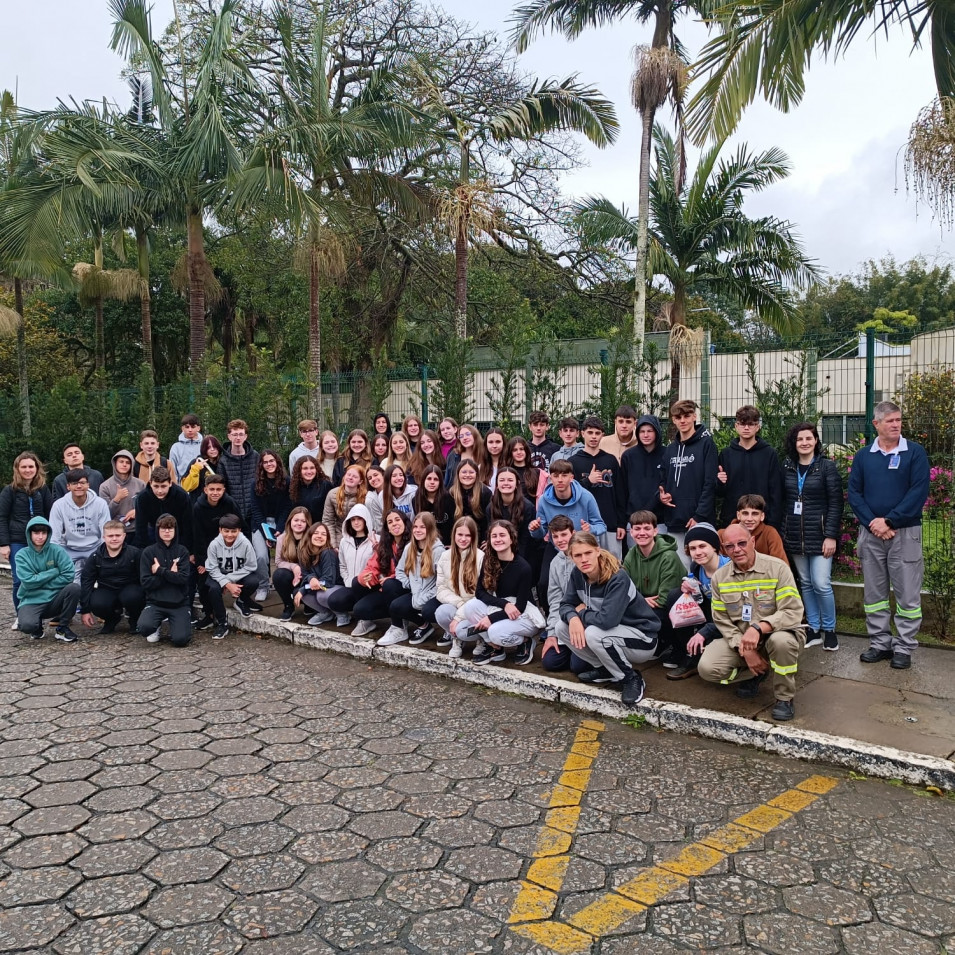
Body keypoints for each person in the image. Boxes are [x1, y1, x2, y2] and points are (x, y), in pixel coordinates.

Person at [848, 400, 930, 670]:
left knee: (907, 594)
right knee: (874, 594)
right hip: (871, 533)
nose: (896, 425)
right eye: (890, 421)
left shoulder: (914, 453)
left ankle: (904, 647)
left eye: (898, 420)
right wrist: (873, 522)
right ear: (876, 424)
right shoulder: (863, 456)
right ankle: (880, 643)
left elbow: (918, 492)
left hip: (904, 533)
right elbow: (855, 494)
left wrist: (890, 520)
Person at [699, 523, 805, 721]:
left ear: (753, 541)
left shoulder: (777, 568)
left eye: (741, 543)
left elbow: (792, 611)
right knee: (707, 668)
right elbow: (722, 621)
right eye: (730, 546)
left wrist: (759, 627)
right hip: (742, 639)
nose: (736, 550)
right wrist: (745, 649)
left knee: (781, 643)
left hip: (778, 633)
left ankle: (784, 697)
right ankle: (757, 672)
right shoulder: (720, 578)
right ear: (723, 549)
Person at [556, 532, 659, 705]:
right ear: (571, 558)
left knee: (594, 633)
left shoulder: (618, 577)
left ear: (597, 551)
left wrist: (581, 613)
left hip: (643, 639)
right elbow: (566, 604)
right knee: (561, 627)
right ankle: (605, 669)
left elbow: (607, 621)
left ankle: (631, 678)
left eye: (588, 553)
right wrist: (573, 618)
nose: (584, 559)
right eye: (578, 555)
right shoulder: (577, 574)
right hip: (612, 635)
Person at [782, 422, 844, 652]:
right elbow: (783, 500)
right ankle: (814, 629)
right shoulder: (787, 466)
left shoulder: (826, 467)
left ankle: (829, 630)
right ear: (794, 443)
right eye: (800, 439)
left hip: (820, 536)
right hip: (796, 536)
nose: (804, 443)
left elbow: (836, 503)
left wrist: (831, 536)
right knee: (806, 583)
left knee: (821, 583)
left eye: (809, 438)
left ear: (816, 441)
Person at [457, 519, 543, 666]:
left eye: (502, 535)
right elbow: (480, 592)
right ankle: (495, 647)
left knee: (495, 632)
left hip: (524, 614)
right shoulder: (488, 560)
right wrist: (504, 604)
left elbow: (521, 606)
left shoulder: (523, 568)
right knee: (470, 609)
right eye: (494, 536)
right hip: (505, 607)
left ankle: (525, 642)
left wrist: (491, 619)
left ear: (511, 539)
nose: (498, 539)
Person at [529, 458, 606, 610]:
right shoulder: (544, 500)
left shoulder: (586, 496)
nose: (560, 480)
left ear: (572, 477)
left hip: (581, 546)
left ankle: (588, 612)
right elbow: (541, 532)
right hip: (556, 546)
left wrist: (590, 529)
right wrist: (535, 529)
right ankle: (550, 618)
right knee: (543, 583)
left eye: (564, 475)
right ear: (550, 478)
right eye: (556, 476)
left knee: (584, 581)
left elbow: (601, 525)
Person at [661, 522, 730, 680]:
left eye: (702, 546)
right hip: (709, 612)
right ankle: (690, 652)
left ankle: (707, 650)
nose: (697, 552)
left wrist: (705, 631)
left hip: (729, 617)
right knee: (675, 595)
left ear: (714, 546)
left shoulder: (728, 569)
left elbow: (732, 611)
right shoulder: (696, 567)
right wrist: (688, 587)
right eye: (693, 548)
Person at [329, 510, 411, 639]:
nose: (394, 524)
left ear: (405, 523)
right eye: (390, 522)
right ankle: (366, 621)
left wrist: (391, 578)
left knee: (390, 584)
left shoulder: (412, 543)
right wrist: (365, 576)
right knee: (359, 603)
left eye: (397, 520)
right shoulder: (385, 545)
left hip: (407, 589)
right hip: (385, 588)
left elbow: (411, 572)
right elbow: (372, 566)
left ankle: (399, 625)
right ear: (387, 528)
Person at [658, 399, 718, 565]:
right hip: (674, 519)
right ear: (673, 420)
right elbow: (663, 479)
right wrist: (662, 496)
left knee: (703, 565)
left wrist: (699, 515)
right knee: (681, 568)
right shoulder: (670, 449)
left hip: (699, 519)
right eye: (678, 417)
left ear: (694, 417)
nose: (682, 420)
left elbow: (710, 483)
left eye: (687, 416)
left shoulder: (707, 444)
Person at [0, 451, 53, 622]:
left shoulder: (43, 489)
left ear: (37, 468)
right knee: (19, 580)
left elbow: (50, 513)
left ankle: (38, 612)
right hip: (18, 540)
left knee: (41, 578)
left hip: (40, 541)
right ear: (17, 469)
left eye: (31, 466)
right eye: (24, 467)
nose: (28, 470)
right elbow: (1, 517)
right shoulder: (9, 491)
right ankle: (20, 615)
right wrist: (4, 544)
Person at [378, 512, 446, 646]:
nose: (418, 530)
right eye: (415, 527)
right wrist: (411, 585)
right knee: (395, 605)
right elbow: (400, 570)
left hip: (432, 594)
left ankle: (447, 630)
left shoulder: (438, 551)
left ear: (430, 529)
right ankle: (423, 626)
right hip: (415, 591)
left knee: (428, 610)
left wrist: (425, 596)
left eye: (422, 527)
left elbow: (442, 582)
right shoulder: (410, 547)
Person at [15, 516, 81, 643]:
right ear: (29, 534)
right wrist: (54, 571)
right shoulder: (21, 555)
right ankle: (36, 626)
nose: (40, 537)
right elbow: (28, 582)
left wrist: (39, 581)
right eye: (36, 533)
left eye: (43, 532)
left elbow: (68, 575)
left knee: (74, 588)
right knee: (26, 626)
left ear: (48, 533)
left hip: (55, 599)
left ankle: (62, 628)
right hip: (32, 600)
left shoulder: (57, 551)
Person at [717, 405, 785, 528]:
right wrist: (720, 482)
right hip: (732, 520)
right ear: (736, 426)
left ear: (758, 427)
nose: (746, 428)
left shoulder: (769, 454)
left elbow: (776, 490)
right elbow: (720, 493)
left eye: (751, 424)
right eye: (743, 424)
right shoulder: (726, 454)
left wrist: (773, 522)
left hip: (762, 521)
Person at [539, 515, 587, 674]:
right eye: (555, 536)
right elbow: (555, 601)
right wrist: (551, 634)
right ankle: (573, 649)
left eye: (564, 534)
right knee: (550, 662)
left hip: (587, 620)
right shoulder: (555, 563)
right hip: (565, 620)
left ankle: (583, 654)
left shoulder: (585, 557)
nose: (560, 540)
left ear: (573, 533)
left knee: (578, 667)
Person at [571, 416, 624, 557]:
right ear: (582, 434)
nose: (593, 437)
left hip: (610, 524)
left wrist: (621, 523)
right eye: (590, 432)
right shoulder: (573, 462)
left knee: (613, 565)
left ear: (602, 435)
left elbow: (620, 493)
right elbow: (571, 494)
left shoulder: (610, 460)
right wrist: (588, 481)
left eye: (597, 433)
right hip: (584, 526)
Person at [192, 475, 240, 630]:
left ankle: (242, 601)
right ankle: (209, 614)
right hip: (207, 551)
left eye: (218, 489)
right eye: (211, 489)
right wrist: (203, 562)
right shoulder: (198, 508)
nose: (215, 492)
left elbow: (240, 526)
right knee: (203, 580)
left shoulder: (230, 503)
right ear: (205, 490)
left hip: (230, 548)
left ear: (223, 490)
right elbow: (197, 537)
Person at [622, 510, 685, 629]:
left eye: (647, 528)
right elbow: (624, 587)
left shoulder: (668, 556)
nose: (642, 533)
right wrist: (641, 601)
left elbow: (666, 598)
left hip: (667, 608)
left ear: (655, 531)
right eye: (637, 529)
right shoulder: (631, 555)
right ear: (631, 532)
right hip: (642, 603)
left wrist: (638, 603)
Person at [80, 520, 145, 634]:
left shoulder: (135, 553)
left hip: (130, 589)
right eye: (110, 536)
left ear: (124, 536)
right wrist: (85, 610)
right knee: (97, 603)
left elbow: (144, 578)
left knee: (134, 597)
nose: (114, 539)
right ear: (104, 537)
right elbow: (86, 582)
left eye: (118, 535)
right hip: (107, 589)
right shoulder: (95, 556)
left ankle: (135, 619)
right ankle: (112, 619)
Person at [138, 514, 193, 647]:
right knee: (144, 628)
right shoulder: (148, 552)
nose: (167, 532)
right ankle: (155, 625)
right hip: (156, 602)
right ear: (158, 531)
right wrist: (170, 575)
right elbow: (146, 582)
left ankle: (177, 623)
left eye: (170, 529)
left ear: (175, 530)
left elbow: (183, 579)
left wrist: (160, 571)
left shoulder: (182, 551)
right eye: (163, 529)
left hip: (179, 603)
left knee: (181, 640)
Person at [205, 514, 262, 639]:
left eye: (233, 531)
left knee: (253, 581)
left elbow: (251, 566)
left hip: (238, 574)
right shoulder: (214, 545)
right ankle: (222, 622)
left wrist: (230, 580)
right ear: (220, 530)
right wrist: (226, 584)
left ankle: (241, 601)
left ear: (239, 530)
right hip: (218, 575)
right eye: (226, 531)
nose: (230, 535)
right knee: (213, 589)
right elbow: (212, 568)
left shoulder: (245, 544)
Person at [435, 516, 485, 658]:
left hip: (475, 607)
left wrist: (461, 613)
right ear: (454, 535)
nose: (463, 539)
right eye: (460, 534)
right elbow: (440, 588)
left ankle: (481, 639)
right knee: (441, 612)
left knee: (464, 629)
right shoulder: (445, 556)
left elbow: (482, 593)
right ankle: (456, 638)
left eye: (468, 535)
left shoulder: (481, 557)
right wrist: (459, 604)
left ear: (473, 537)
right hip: (457, 602)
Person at [49, 469, 110, 580]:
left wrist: (103, 554)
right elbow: (54, 536)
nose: (78, 486)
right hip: (69, 548)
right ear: (68, 486)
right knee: (64, 580)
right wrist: (56, 559)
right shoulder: (58, 505)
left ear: (88, 485)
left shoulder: (100, 503)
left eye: (82, 483)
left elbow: (106, 532)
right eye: (74, 483)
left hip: (94, 547)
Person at [322, 504, 376, 628]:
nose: (356, 522)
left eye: (359, 519)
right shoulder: (344, 541)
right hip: (351, 584)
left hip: (368, 586)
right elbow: (342, 564)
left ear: (366, 519)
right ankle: (353, 612)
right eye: (353, 519)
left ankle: (365, 616)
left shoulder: (375, 540)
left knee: (362, 606)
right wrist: (347, 580)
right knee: (334, 601)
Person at [249, 450, 292, 600]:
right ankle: (263, 586)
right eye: (265, 462)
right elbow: (255, 510)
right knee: (261, 556)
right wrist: (266, 533)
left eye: (271, 461)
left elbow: (287, 506)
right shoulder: (255, 484)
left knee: (287, 555)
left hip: (282, 522)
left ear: (277, 462)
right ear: (261, 465)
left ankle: (288, 587)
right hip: (260, 524)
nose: (269, 464)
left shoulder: (287, 482)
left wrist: (279, 529)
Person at [620, 414, 665, 537]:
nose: (645, 435)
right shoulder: (628, 456)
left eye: (650, 431)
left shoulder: (667, 454)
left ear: (657, 432)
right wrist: (623, 520)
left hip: (660, 521)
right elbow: (622, 490)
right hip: (634, 521)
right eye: (642, 431)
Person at [133, 467, 194, 554]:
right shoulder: (142, 498)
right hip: (153, 532)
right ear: (150, 483)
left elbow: (188, 526)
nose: (160, 491)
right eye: (156, 486)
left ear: (170, 483)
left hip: (178, 534)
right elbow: (140, 527)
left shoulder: (182, 496)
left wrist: (188, 551)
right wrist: (143, 552)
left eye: (163, 486)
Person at [297, 523, 344, 625]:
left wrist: (305, 588)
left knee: (320, 594)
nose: (319, 536)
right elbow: (305, 576)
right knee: (302, 594)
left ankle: (342, 614)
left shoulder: (328, 552)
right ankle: (326, 613)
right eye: (316, 533)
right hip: (322, 586)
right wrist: (311, 579)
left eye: (323, 534)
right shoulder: (304, 553)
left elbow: (328, 581)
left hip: (337, 587)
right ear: (310, 536)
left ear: (327, 538)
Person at [273, 507, 313, 620]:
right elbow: (278, 561)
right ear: (290, 521)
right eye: (296, 520)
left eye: (303, 521)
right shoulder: (282, 538)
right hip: (291, 575)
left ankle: (309, 605)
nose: (299, 523)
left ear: (308, 523)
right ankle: (288, 606)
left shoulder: (311, 538)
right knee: (279, 575)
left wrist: (301, 570)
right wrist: (294, 567)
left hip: (308, 574)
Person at [220, 420, 260, 530]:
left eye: (241, 434)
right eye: (235, 434)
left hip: (254, 510)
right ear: (229, 436)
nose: (238, 438)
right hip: (233, 511)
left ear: (245, 436)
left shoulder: (255, 456)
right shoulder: (223, 461)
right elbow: (222, 487)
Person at [489, 468, 536, 559]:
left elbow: (526, 540)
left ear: (517, 484)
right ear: (497, 484)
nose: (506, 483)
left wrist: (514, 559)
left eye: (510, 480)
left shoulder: (528, 507)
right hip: (498, 552)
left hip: (523, 554)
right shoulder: (490, 507)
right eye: (502, 480)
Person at [732, 495, 789, 565]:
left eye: (755, 514)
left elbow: (782, 566)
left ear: (762, 516)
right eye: (745, 513)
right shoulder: (724, 534)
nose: (749, 519)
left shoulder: (770, 533)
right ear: (738, 515)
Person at [322, 465, 368, 548]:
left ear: (360, 481)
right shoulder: (332, 494)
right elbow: (328, 521)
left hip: (358, 536)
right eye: (348, 475)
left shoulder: (366, 497)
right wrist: (333, 545)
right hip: (338, 535)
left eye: (354, 476)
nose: (350, 478)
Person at [98, 450, 145, 528]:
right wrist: (117, 499)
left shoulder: (141, 484)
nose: (124, 465)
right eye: (121, 462)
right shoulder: (105, 486)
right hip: (115, 531)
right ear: (115, 463)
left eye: (127, 462)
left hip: (137, 530)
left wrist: (137, 511)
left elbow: (148, 508)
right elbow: (105, 514)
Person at [449, 460, 492, 542]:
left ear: (476, 474)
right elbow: (449, 522)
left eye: (471, 472)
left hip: (479, 538)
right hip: (457, 539)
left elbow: (487, 522)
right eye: (464, 472)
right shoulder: (451, 493)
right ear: (458, 474)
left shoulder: (485, 493)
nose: (467, 475)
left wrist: (486, 540)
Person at [367, 464, 417, 534]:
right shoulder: (382, 495)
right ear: (388, 478)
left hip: (412, 531)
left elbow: (415, 518)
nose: (399, 478)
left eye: (401, 475)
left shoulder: (413, 493)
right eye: (394, 476)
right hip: (394, 532)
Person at [413, 465, 455, 545]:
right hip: (426, 544)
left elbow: (454, 524)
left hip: (447, 545)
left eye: (436, 479)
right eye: (429, 479)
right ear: (423, 480)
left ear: (440, 482)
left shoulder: (449, 499)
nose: (432, 482)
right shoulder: (416, 500)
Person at [180, 436, 226, 500]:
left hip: (218, 503)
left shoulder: (223, 462)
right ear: (204, 449)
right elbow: (186, 487)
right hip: (199, 503)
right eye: (209, 447)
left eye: (215, 446)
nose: (212, 449)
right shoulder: (197, 462)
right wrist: (196, 469)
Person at [288, 455, 331, 523]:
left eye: (312, 468)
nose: (309, 471)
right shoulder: (293, 486)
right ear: (299, 470)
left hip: (319, 527)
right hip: (301, 526)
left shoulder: (325, 485)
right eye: (305, 468)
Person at [168, 414, 203, 480]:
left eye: (193, 427)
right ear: (182, 428)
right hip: (182, 486)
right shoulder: (176, 448)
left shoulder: (204, 445)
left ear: (198, 428)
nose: (190, 430)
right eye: (187, 427)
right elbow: (173, 471)